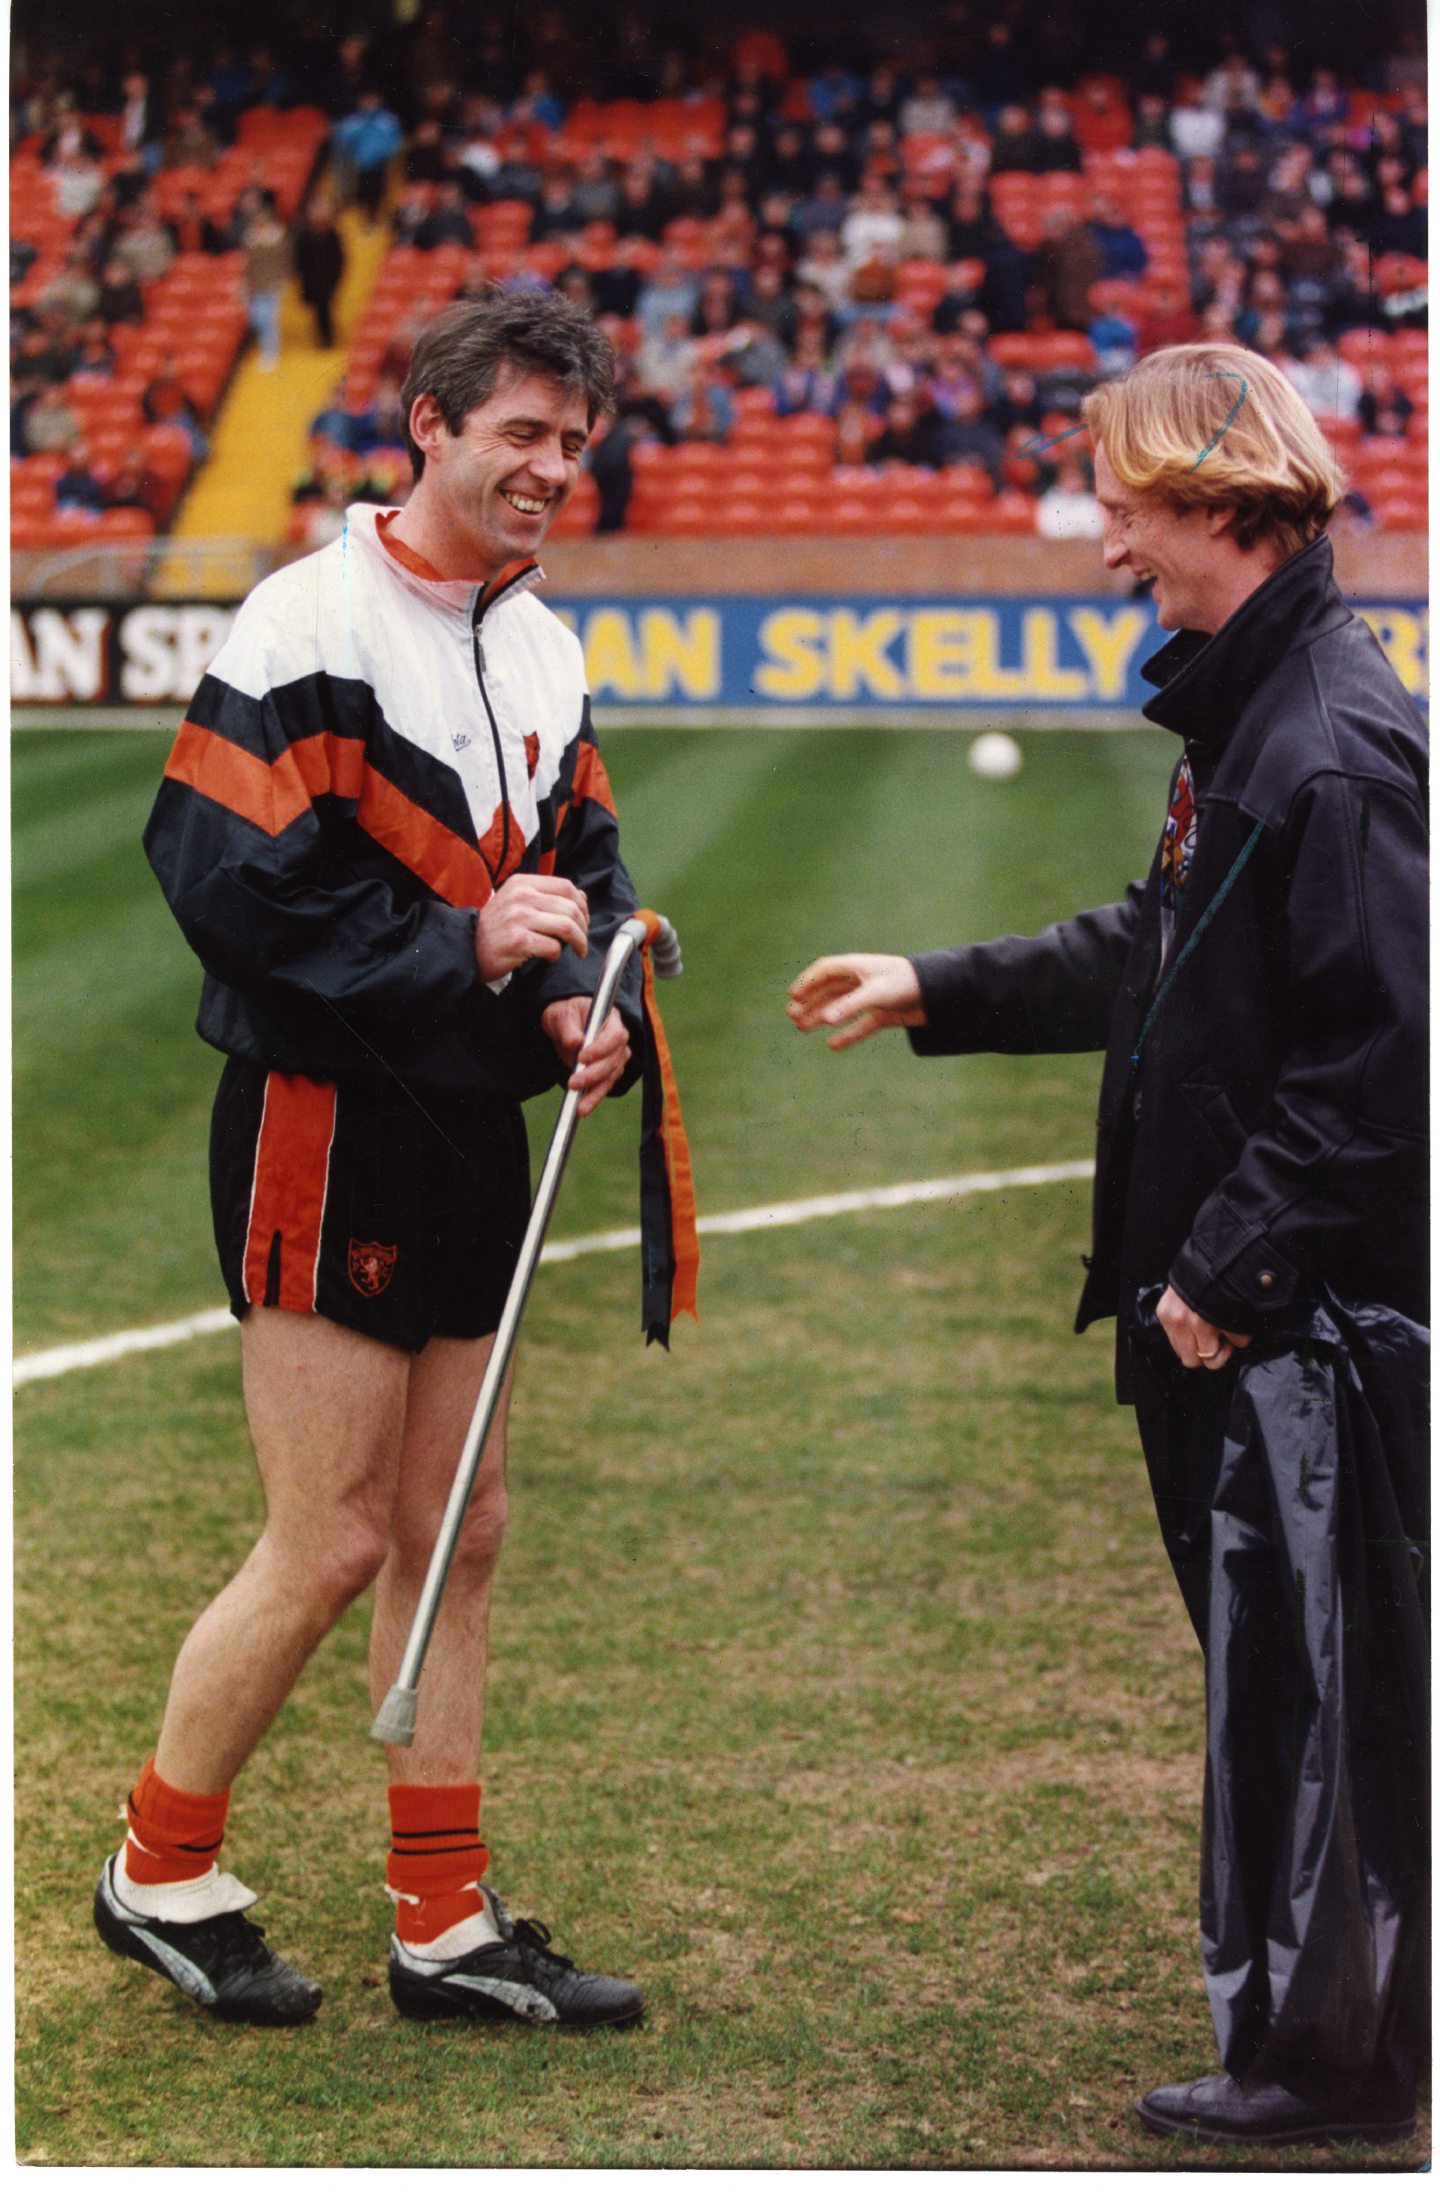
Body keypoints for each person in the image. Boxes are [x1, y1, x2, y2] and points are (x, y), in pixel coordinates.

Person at [789, 344, 1427, 2149]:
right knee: (1289, 1679)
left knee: (1313, 1692)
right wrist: (937, 985)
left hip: (1303, 1323)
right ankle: (1340, 2035)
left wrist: (1228, 1272)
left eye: (1128, 503)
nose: (1104, 541)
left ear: (1222, 503)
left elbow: (1384, 1070)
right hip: (1263, 1311)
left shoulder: (1331, 738)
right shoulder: (1262, 709)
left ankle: (1328, 2069)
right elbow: (1161, 949)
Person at [96, 292, 658, 2036]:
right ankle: (159, 1864)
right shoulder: (305, 620)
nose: (551, 469)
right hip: (319, 1120)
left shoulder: (544, 643)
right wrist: (468, 952)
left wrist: (573, 999)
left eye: (574, 444)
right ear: (428, 422)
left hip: (468, 1123)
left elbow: (575, 866)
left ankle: (444, 1921)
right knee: (330, 1536)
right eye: (522, 433)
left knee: (459, 1526)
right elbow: (220, 875)